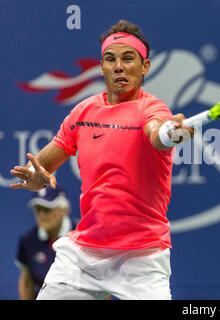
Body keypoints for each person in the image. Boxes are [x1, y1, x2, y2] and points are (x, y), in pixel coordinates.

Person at [10, 20, 194, 300]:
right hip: (85, 254)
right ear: (102, 66)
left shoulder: (152, 108)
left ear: (145, 67)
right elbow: (44, 162)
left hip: (141, 258)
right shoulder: (83, 112)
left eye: (128, 58)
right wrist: (38, 175)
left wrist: (171, 133)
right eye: (111, 59)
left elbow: (157, 133)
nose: (119, 66)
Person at [15, 186, 78, 299]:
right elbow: (27, 282)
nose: (42, 215)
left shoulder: (83, 237)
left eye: (47, 209)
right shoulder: (28, 240)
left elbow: (99, 282)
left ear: (64, 209)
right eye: (38, 209)